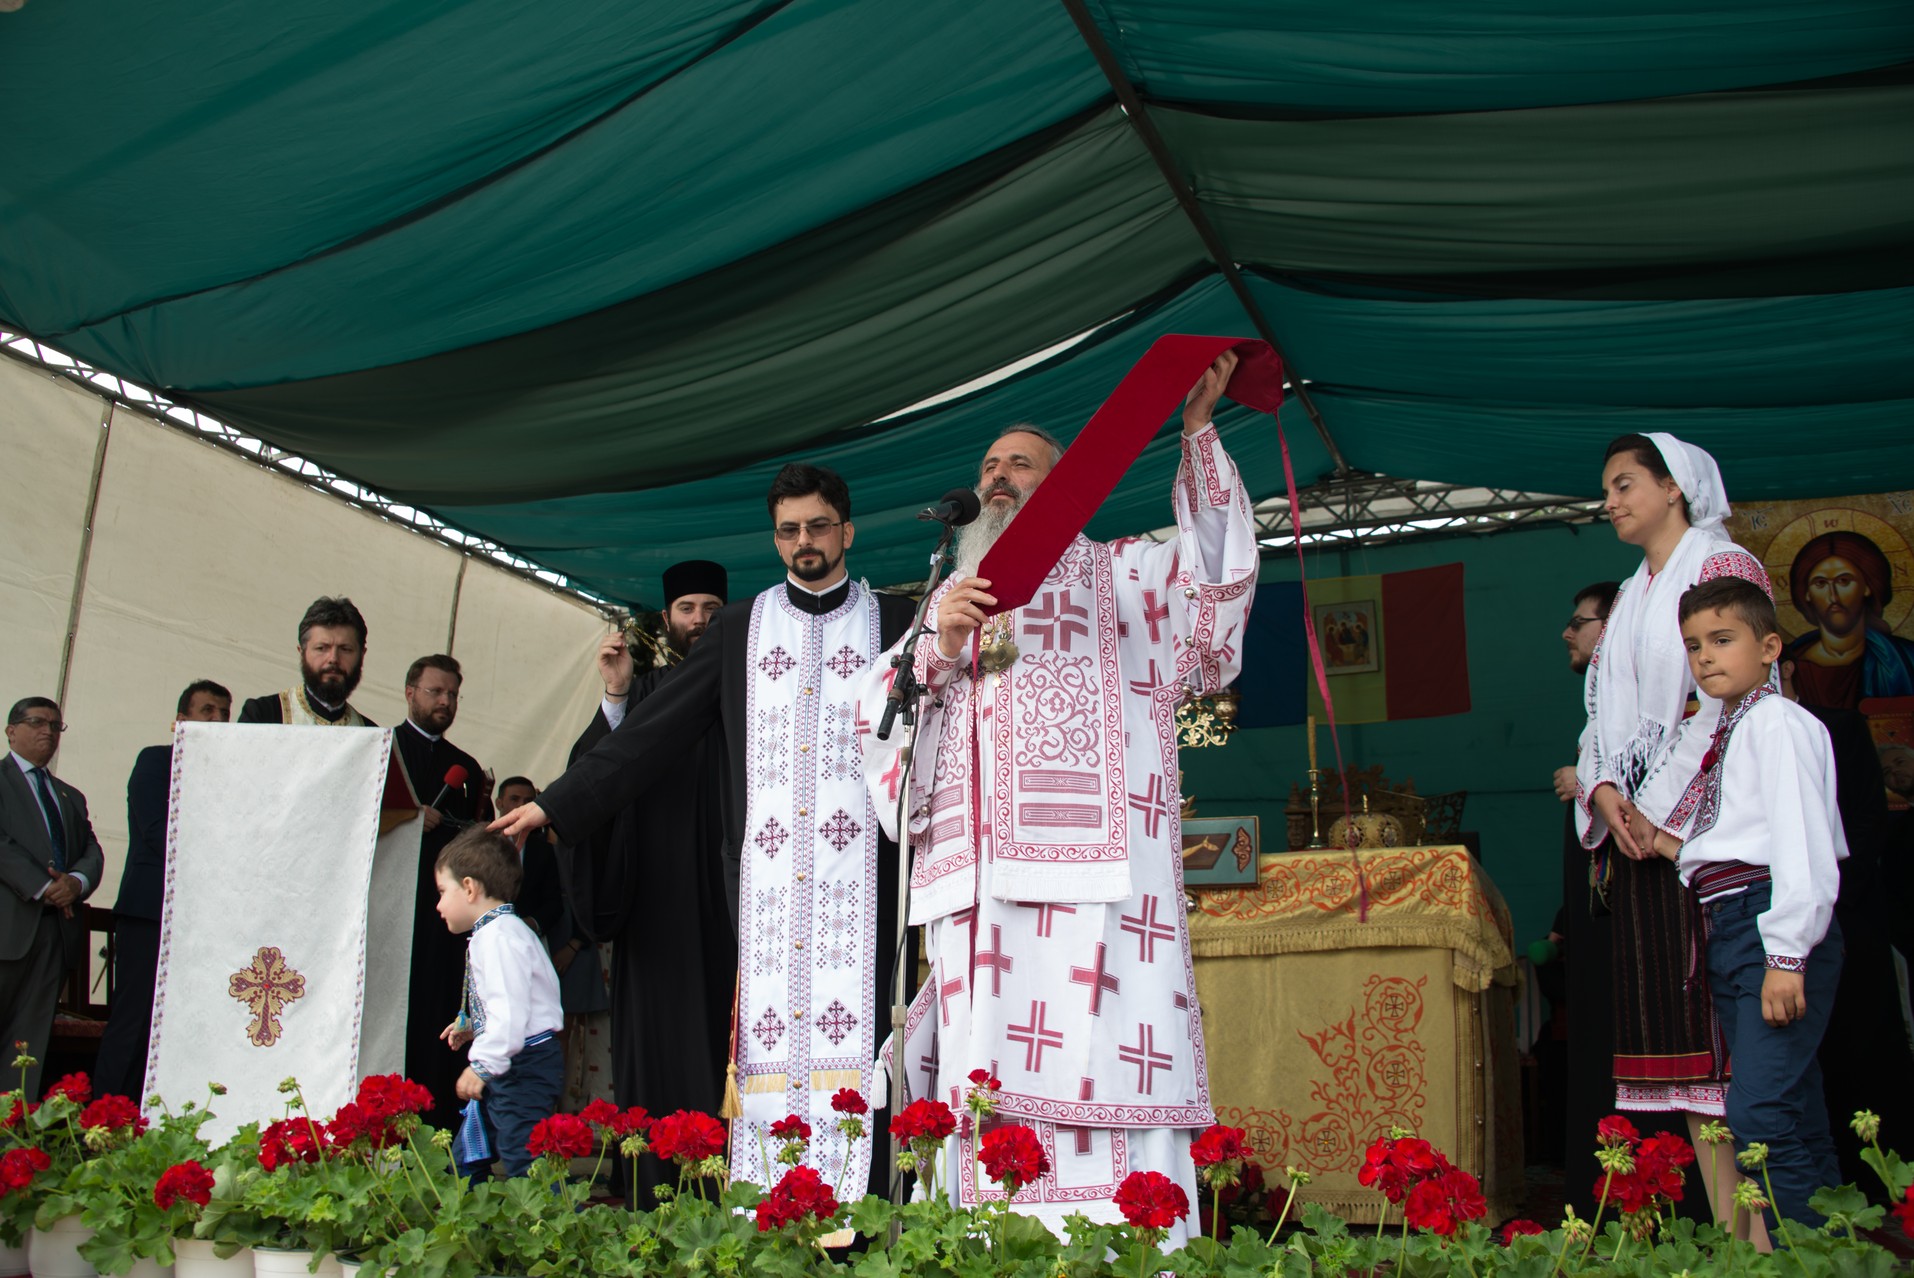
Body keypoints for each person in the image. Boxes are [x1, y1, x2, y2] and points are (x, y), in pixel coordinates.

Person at [887, 353, 1256, 1241]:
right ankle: (987, 1246)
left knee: (1108, 1066)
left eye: (1020, 465)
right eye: (987, 468)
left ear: (1067, 485)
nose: (998, 479)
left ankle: (1132, 1243)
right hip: (983, 902)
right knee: (986, 1087)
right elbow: (883, 725)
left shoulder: (1126, 574)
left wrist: (1199, 434)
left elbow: (1218, 589)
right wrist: (937, 647)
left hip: (1108, 897)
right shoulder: (949, 599)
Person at [493, 466, 916, 1204]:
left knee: (866, 1052)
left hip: (866, 888)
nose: (804, 543)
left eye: (818, 526)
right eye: (788, 530)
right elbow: (650, 735)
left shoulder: (898, 619)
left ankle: (863, 1212)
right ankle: (766, 1216)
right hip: (767, 897)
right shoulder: (740, 628)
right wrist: (556, 805)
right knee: (766, 1054)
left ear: (846, 532)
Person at [1574, 433, 1769, 1221]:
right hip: (1641, 843)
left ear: (1674, 488)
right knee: (1689, 1060)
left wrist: (1656, 810)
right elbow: (1597, 714)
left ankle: (1759, 1237)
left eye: (1625, 485)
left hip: (1700, 843)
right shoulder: (1629, 596)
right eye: (1609, 489)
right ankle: (1731, 1236)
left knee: (1725, 1051)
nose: (1611, 501)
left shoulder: (1724, 568)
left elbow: (1720, 701)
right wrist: (1606, 789)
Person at [1644, 578, 1846, 1230]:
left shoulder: (1777, 723)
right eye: (1694, 645)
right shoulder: (1727, 729)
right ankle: (1836, 1251)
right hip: (1731, 922)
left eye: (1722, 640)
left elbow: (1802, 844)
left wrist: (1787, 955)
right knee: (1796, 1104)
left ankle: (1806, 1255)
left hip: (1770, 924)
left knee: (1758, 1113)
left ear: (1769, 647)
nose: (1705, 657)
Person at [555, 559, 731, 1203]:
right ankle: (656, 1194)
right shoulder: (645, 691)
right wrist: (615, 699)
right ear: (667, 620)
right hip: (657, 911)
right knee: (658, 1056)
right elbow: (596, 774)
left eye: (713, 607)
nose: (701, 620)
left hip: (734, 909)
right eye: (688, 609)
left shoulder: (749, 687)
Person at [93, 680, 232, 1098]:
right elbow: (157, 831)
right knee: (135, 1021)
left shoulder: (233, 778)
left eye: (224, 713)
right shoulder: (156, 761)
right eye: (206, 711)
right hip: (151, 911)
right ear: (179, 722)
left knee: (187, 1026)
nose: (217, 720)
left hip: (205, 916)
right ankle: (106, 1121)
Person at [433, 825, 564, 1180]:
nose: (439, 904)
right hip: (515, 1056)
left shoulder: (500, 938)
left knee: (524, 1154)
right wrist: (474, 1027)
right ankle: (470, 1220)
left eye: (443, 891)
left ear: (470, 888)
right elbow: (512, 1005)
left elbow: (510, 1012)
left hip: (523, 1063)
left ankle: (560, 1225)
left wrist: (481, 1065)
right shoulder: (499, 932)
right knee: (472, 1150)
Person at [1548, 582, 1619, 1213]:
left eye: (1580, 622)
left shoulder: (1639, 705)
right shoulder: (1602, 710)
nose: (1569, 634)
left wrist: (1591, 780)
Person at [393, 654, 486, 1126]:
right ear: (410, 692)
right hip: (392, 912)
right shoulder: (383, 749)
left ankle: (442, 1127)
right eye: (436, 691)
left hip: (447, 922)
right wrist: (410, 819)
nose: (445, 701)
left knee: (442, 1017)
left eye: (452, 694)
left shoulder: (465, 768)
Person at [0, 698, 105, 1099]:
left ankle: (11, 1136)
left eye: (56, 725)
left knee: (28, 1045)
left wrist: (76, 882)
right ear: (11, 730)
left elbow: (92, 850)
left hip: (54, 935)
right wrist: (44, 887)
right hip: (10, 927)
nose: (48, 731)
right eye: (37, 722)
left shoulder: (69, 796)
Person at [1783, 531, 1914, 710]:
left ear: (1867, 587)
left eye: (1844, 581)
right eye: (1820, 583)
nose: (1833, 596)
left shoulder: (1906, 660)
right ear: (1806, 593)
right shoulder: (1787, 666)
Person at [237, 597, 376, 725]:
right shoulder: (263, 715)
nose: (333, 659)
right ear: (302, 652)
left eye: (345, 649)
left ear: (362, 655)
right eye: (321, 648)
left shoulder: (374, 736)